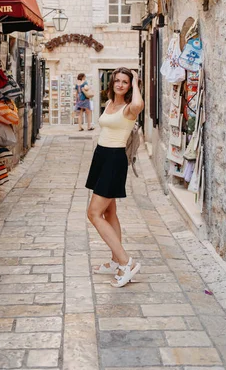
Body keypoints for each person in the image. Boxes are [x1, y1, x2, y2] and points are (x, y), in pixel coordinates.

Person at [85, 67, 144, 287]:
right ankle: (114, 261)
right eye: (117, 81)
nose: (120, 84)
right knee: (109, 211)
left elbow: (139, 105)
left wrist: (137, 81)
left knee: (93, 213)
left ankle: (126, 262)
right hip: (101, 156)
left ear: (130, 86)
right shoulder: (111, 103)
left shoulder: (130, 108)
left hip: (114, 159)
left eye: (125, 82)